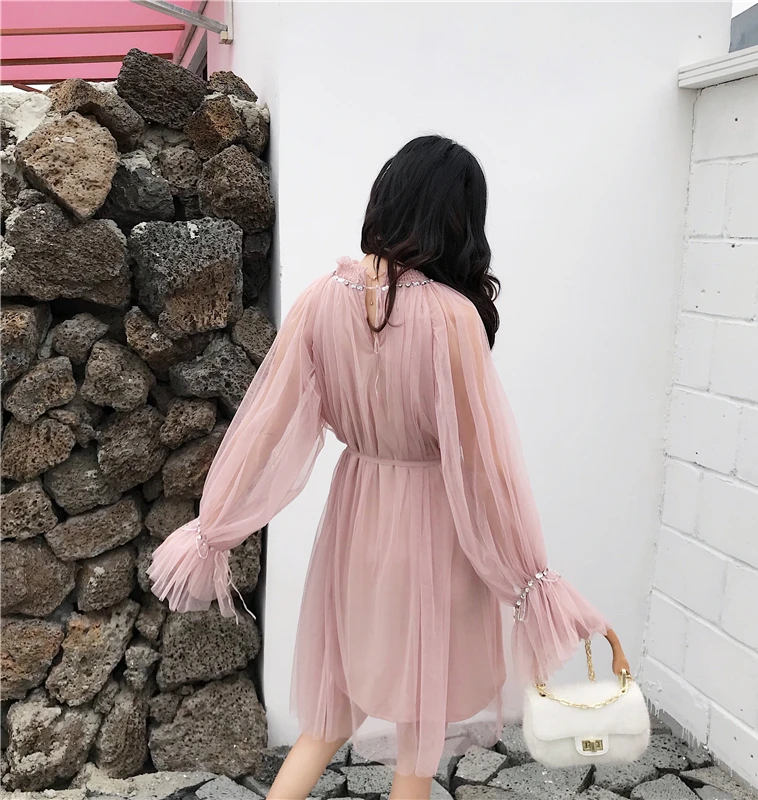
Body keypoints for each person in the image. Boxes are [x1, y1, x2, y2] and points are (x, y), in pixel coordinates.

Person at [147, 134, 630, 800]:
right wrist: (532, 578)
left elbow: (266, 426)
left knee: (331, 712)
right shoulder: (452, 319)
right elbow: (485, 465)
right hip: (435, 526)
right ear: (459, 219)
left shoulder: (319, 299)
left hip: (356, 517)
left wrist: (216, 525)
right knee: (417, 730)